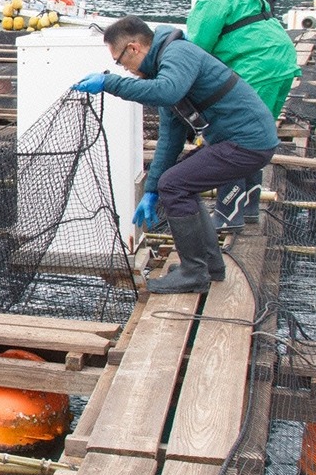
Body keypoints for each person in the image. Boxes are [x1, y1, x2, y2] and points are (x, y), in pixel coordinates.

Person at [71, 16, 279, 293]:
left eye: (120, 62)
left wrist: (110, 83)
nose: (125, 70)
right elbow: (170, 140)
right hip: (234, 142)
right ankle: (209, 264)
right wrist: (153, 190)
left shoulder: (177, 54)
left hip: (248, 143)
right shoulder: (164, 71)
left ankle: (193, 273)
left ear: (134, 48)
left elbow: (167, 92)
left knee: (176, 185)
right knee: (174, 183)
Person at [173, 0, 299, 230]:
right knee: (257, 136)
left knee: (235, 138)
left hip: (257, 68)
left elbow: (195, 50)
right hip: (281, 63)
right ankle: (250, 206)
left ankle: (228, 214)